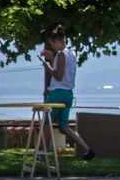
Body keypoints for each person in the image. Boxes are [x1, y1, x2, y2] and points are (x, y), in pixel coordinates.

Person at [40, 28, 95, 160]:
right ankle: (87, 149)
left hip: (57, 93)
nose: (52, 47)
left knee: (46, 124)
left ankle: (41, 154)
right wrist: (52, 59)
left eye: (52, 44)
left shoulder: (61, 54)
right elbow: (63, 71)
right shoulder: (72, 53)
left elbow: (58, 76)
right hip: (68, 94)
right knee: (63, 127)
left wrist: (47, 66)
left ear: (58, 41)